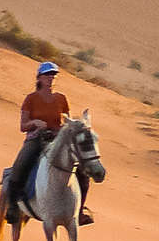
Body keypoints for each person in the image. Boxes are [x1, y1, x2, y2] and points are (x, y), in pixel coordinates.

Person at [5, 61, 94, 225]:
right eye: (47, 74)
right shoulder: (30, 99)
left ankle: (79, 210)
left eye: (53, 75)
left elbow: (67, 122)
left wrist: (65, 129)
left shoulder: (61, 98)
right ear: (39, 77)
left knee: (83, 170)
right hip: (36, 140)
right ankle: (12, 207)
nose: (51, 78)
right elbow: (23, 126)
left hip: (57, 141)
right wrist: (35, 123)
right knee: (20, 166)